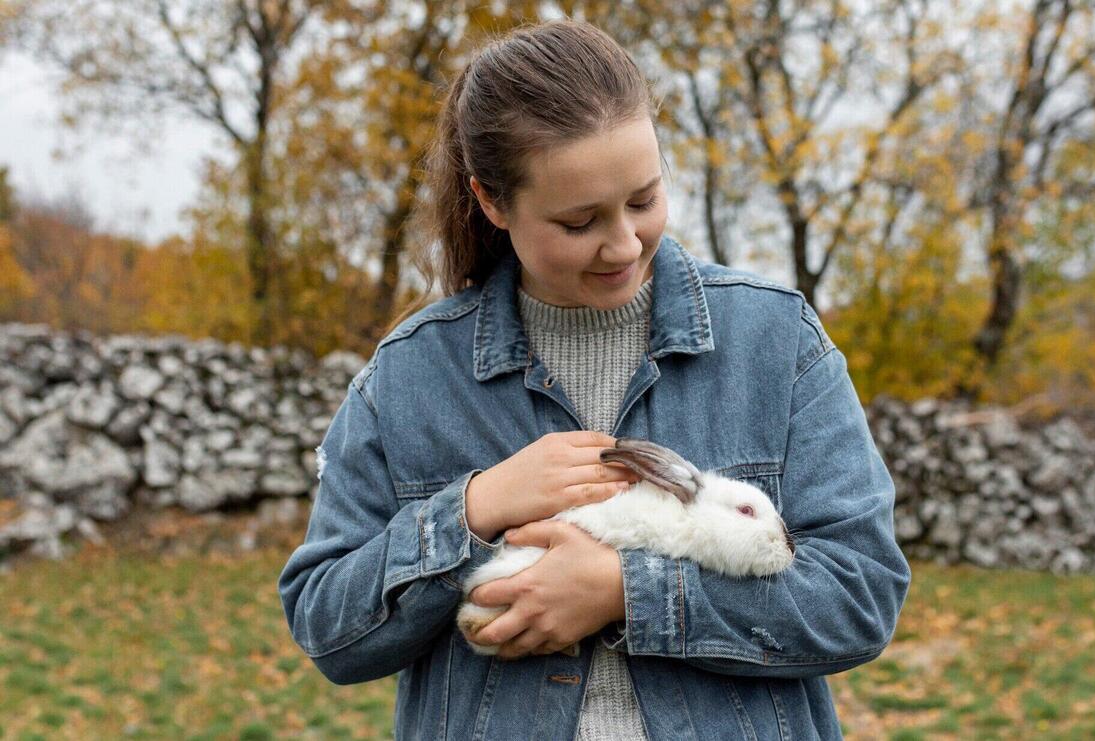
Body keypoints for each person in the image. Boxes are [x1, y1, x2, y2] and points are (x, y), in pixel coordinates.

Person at [278, 18, 910, 740]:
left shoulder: (776, 341)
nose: (624, 242)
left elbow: (861, 596)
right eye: (579, 221)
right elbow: (327, 626)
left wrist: (625, 592)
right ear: (492, 202)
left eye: (643, 199)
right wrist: (473, 508)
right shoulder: (411, 376)